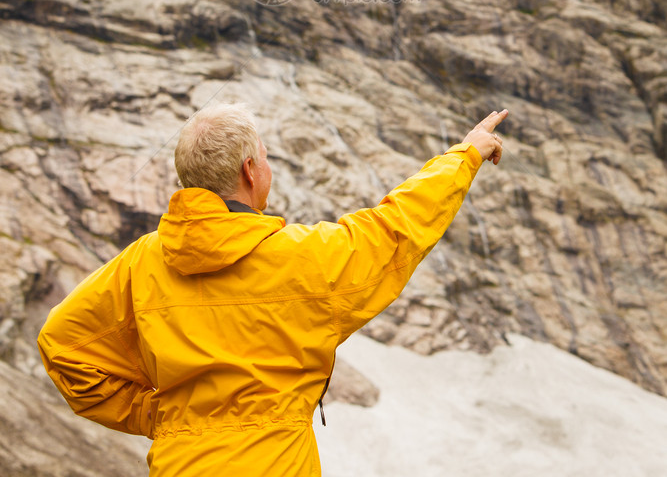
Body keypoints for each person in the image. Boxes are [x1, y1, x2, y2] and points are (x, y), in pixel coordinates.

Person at [38, 102, 507, 476]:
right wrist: (465, 154)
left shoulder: (140, 262)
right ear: (249, 170)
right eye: (265, 158)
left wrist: (160, 417)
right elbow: (395, 228)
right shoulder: (299, 255)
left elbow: (61, 344)